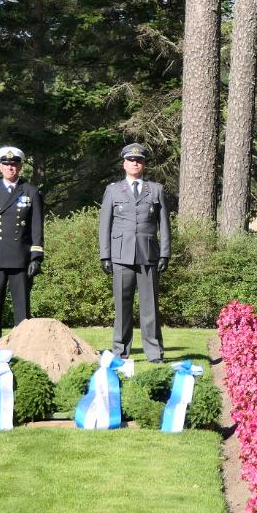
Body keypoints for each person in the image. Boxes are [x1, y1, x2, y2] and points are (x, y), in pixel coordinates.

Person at [99, 143, 171, 363]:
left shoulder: (155, 189)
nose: (135, 163)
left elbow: (164, 224)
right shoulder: (113, 190)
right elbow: (105, 224)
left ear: (144, 164)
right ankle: (120, 352)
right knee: (122, 307)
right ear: (124, 163)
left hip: (148, 255)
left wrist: (165, 254)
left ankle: (154, 353)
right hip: (121, 255)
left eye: (138, 160)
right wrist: (105, 255)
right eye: (131, 160)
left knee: (150, 308)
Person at [0, 146, 44, 352]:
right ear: (0, 167)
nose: (10, 168)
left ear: (20, 167)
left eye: (14, 164)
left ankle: (23, 347)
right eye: (6, 164)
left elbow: (37, 227)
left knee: (22, 306)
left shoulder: (31, 191)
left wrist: (36, 257)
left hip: (20, 258)